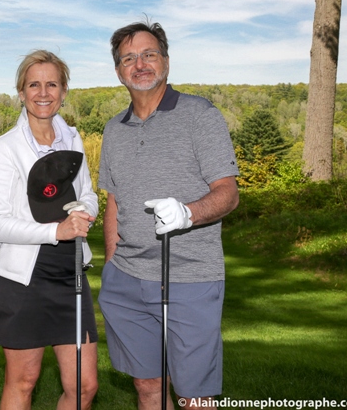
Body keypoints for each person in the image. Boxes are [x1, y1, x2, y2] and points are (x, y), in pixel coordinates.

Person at [97, 20, 240, 410]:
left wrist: (188, 214)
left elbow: (228, 194)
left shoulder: (200, 115)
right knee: (147, 386)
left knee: (195, 397)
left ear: (166, 62)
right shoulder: (114, 129)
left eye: (149, 54)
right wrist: (112, 264)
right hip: (126, 279)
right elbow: (114, 201)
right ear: (118, 71)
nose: (139, 63)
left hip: (189, 277)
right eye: (129, 58)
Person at [0, 50, 99, 410]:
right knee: (23, 381)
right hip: (21, 278)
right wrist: (55, 231)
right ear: (21, 91)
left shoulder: (73, 139)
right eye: (34, 84)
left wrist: (83, 212)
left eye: (52, 84)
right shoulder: (5, 148)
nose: (43, 92)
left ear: (63, 91)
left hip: (70, 274)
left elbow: (88, 195)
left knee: (84, 386)